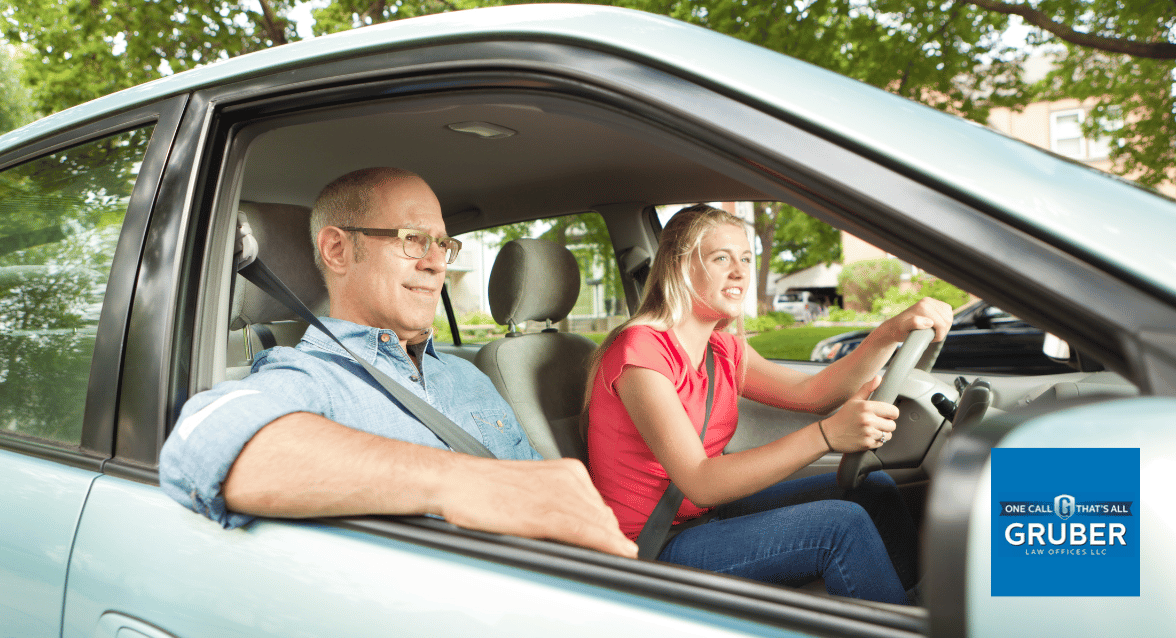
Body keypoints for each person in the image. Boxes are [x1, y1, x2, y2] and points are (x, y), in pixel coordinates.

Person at [160, 167, 636, 559]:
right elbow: (202, 440)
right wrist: (461, 481)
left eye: (444, 245)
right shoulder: (309, 377)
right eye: (413, 239)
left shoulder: (468, 376)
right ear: (337, 250)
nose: (436, 264)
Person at [585, 204, 952, 603]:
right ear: (679, 267)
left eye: (745, 258)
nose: (740, 272)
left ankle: (911, 611)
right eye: (720, 258)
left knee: (873, 489)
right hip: (651, 547)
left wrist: (889, 332)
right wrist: (829, 435)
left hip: (704, 516)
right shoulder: (640, 352)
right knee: (838, 527)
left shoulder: (721, 348)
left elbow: (813, 394)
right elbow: (701, 481)